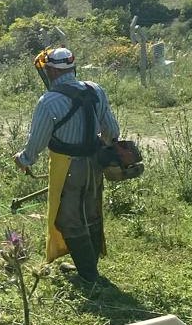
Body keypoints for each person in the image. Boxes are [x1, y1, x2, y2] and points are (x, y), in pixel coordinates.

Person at [14, 46, 119, 287]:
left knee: (69, 218)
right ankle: (88, 265)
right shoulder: (95, 90)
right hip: (95, 162)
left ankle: (88, 275)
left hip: (66, 166)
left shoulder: (48, 101)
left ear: (50, 71)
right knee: (91, 211)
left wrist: (23, 159)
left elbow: (37, 142)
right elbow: (112, 131)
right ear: (72, 68)